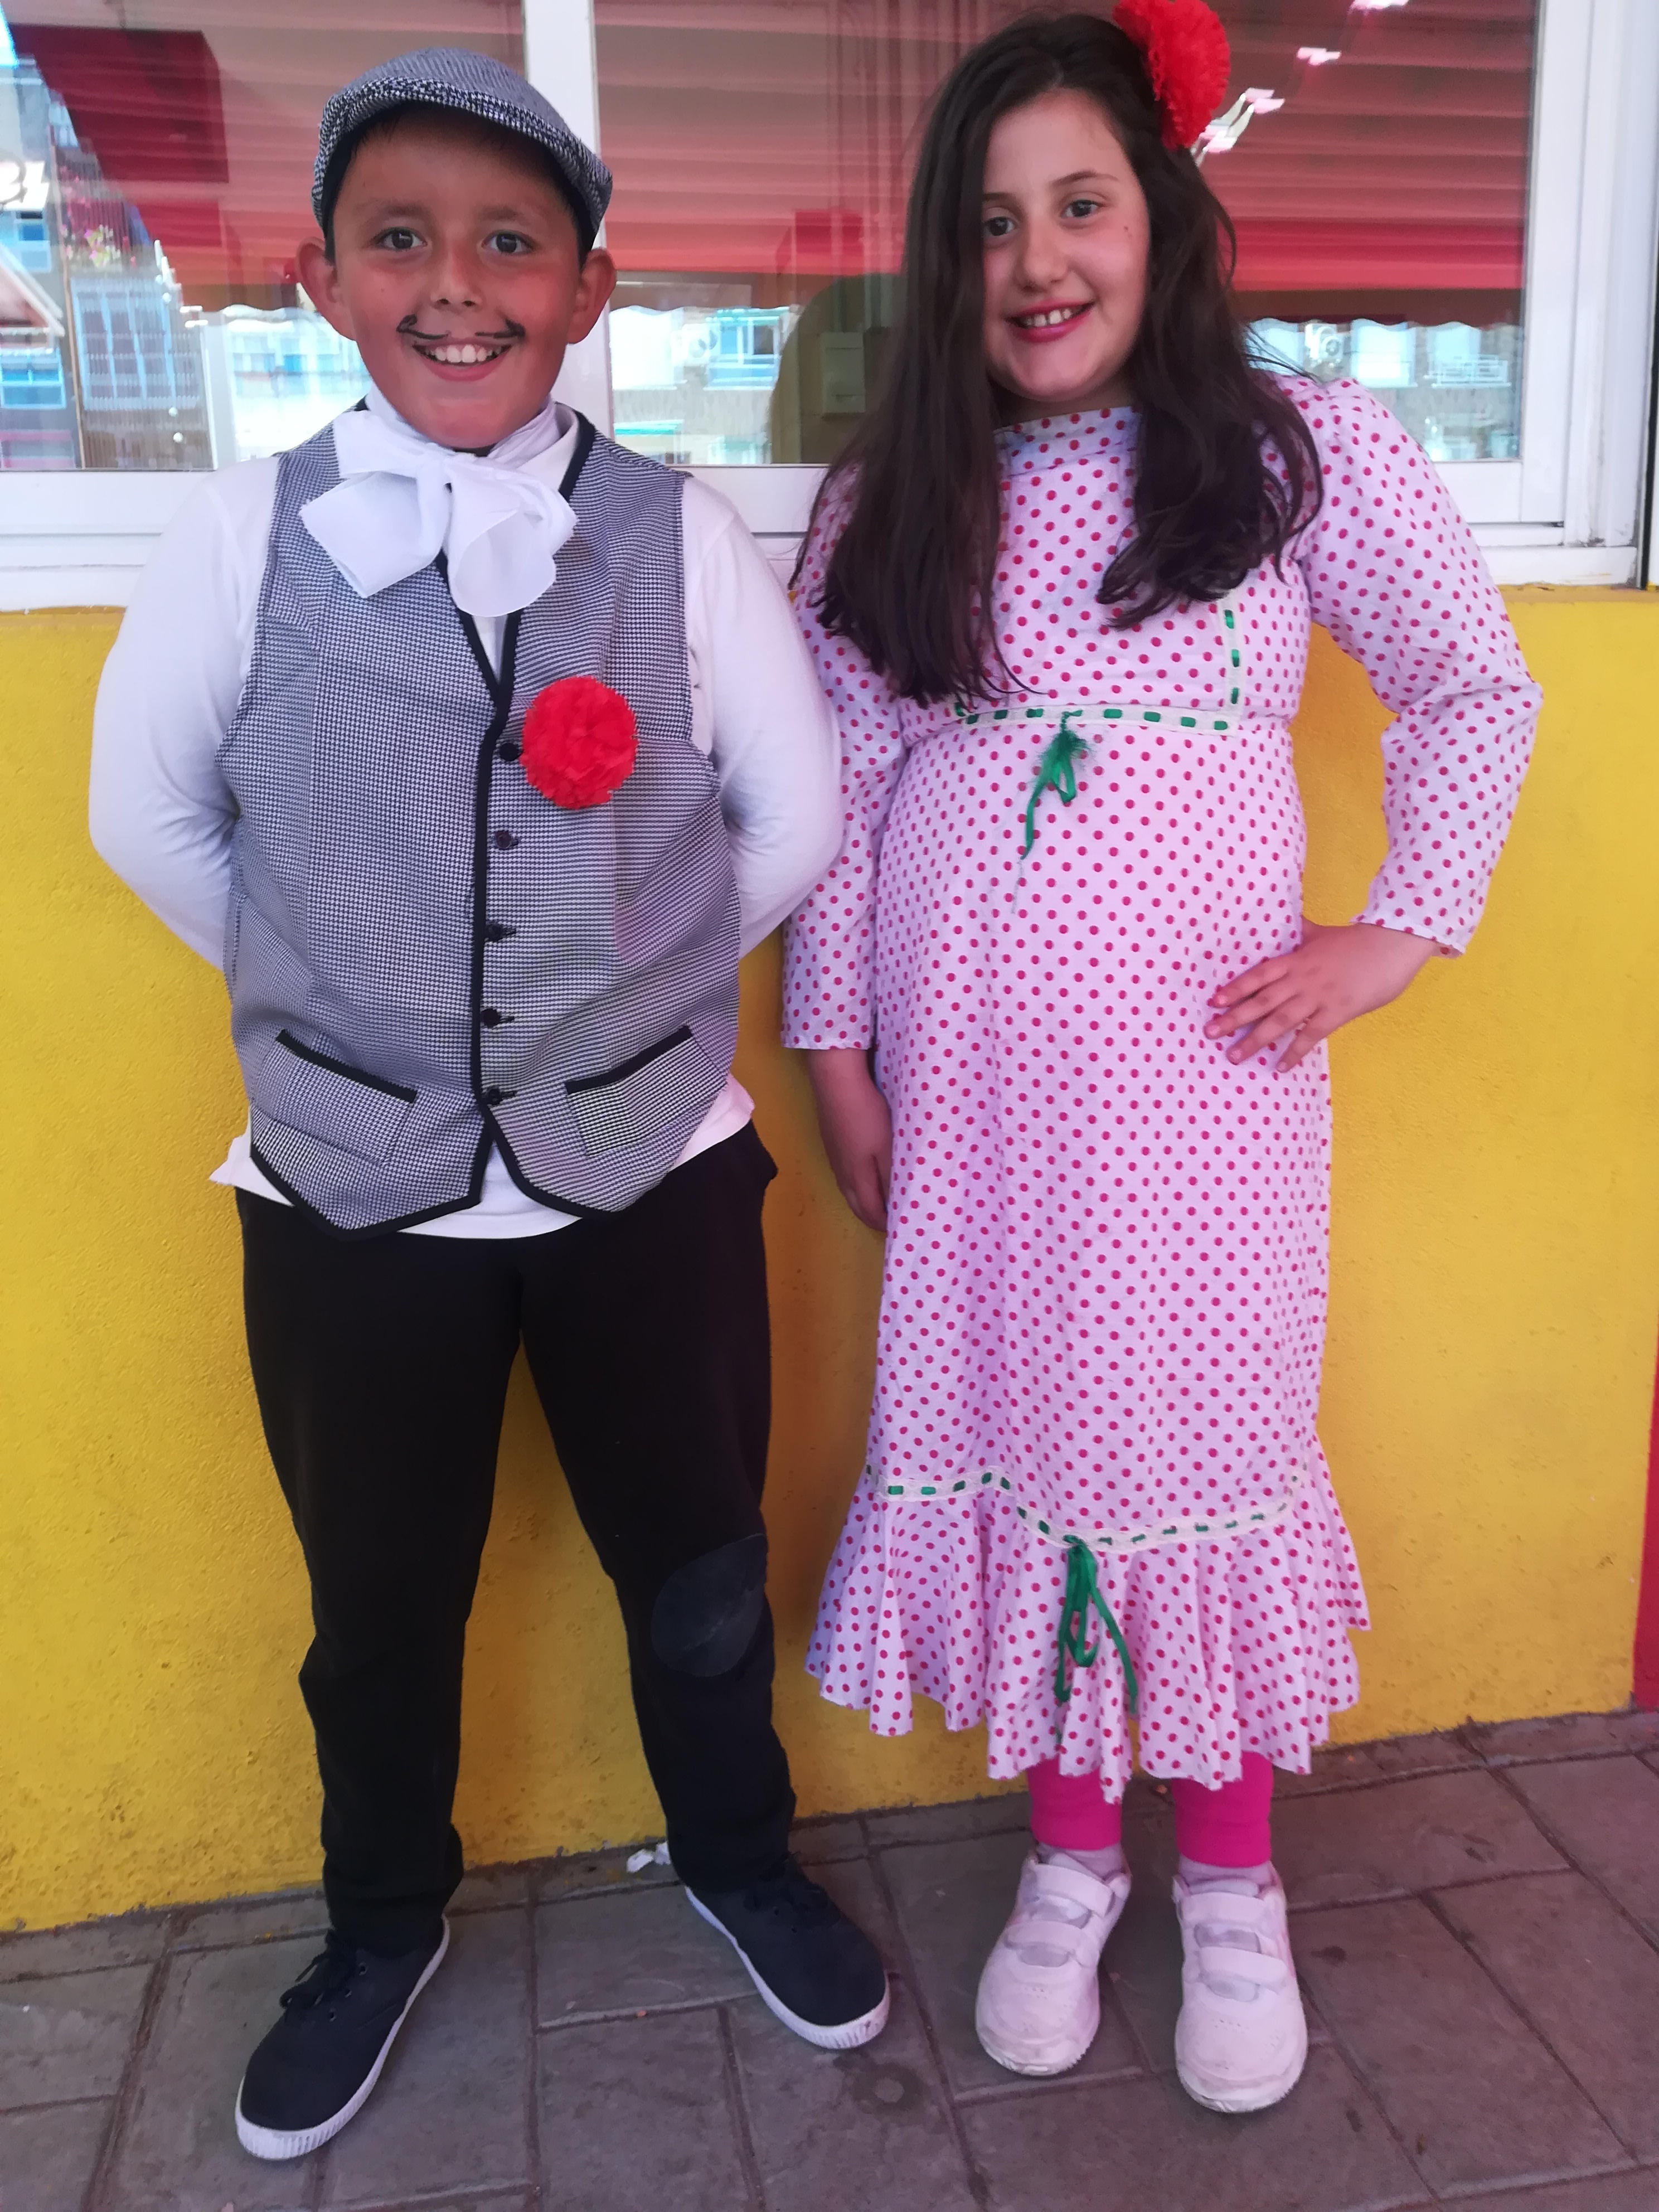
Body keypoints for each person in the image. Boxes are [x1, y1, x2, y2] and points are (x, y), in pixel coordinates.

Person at [89, 46, 889, 2165]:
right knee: (377, 1611)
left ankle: (738, 1858)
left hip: (650, 1171)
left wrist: (631, 999)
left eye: (511, 243)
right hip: (347, 1188)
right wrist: (348, 996)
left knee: (700, 1573)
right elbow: (148, 816)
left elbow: (790, 817)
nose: (459, 283)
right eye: (403, 239)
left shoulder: (677, 535)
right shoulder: (240, 535)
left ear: (589, 289)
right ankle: (376, 1924)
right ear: (321, 278)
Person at [783, 1, 1537, 2114]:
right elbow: (846, 781)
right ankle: (1068, 1855)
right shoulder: (896, 497)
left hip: (1207, 1104)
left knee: (1191, 1449)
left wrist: (1398, 931)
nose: (1039, 258)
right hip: (971, 1103)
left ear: (1167, 219)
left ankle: (1226, 1879)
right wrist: (836, 1051)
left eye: (1082, 204)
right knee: (1020, 1434)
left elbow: (1472, 686)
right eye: (991, 221)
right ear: (945, 261)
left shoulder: (1296, 452)